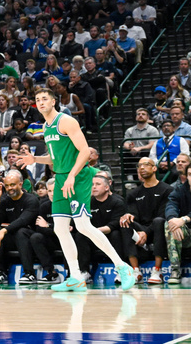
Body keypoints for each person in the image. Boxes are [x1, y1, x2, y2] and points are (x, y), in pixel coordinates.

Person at [19, 87, 137, 291]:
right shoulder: (46, 127)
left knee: (82, 226)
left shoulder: (66, 121)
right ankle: (75, 276)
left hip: (79, 175)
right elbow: (55, 160)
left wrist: (72, 176)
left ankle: (123, 266)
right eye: (37, 99)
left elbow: (85, 151)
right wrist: (35, 159)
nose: (40, 102)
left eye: (44, 98)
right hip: (62, 177)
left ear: (54, 101)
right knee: (60, 228)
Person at [119, 158, 172, 284]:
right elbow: (133, 216)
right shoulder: (133, 193)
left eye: (146, 164)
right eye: (139, 166)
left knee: (159, 221)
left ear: (154, 168)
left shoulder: (167, 190)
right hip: (140, 231)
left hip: (158, 230)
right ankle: (135, 271)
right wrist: (128, 216)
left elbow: (163, 216)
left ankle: (157, 271)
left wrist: (146, 233)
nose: (142, 168)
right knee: (125, 221)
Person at [76, 172, 126, 281]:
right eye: (92, 184)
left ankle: (120, 270)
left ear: (107, 187)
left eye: (98, 184)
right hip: (92, 235)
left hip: (109, 234)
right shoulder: (87, 202)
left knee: (116, 234)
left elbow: (114, 224)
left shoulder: (117, 202)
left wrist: (95, 232)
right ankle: (84, 272)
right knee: (80, 235)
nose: (94, 187)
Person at [164, 153, 191, 284]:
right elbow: (171, 205)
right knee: (168, 225)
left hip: (186, 223)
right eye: (190, 175)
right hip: (187, 233)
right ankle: (175, 270)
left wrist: (184, 219)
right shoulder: (180, 190)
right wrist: (172, 221)